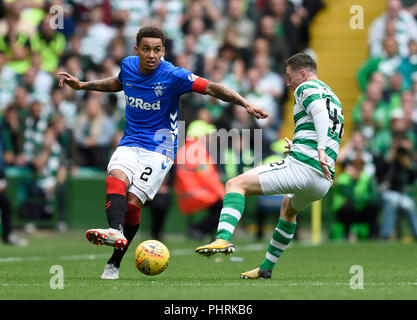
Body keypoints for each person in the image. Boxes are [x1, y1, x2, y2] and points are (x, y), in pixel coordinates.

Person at [58, 26, 268, 280]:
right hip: (131, 141)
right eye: (146, 49)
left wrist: (244, 103)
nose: (151, 54)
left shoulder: (173, 75)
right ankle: (115, 231)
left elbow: (212, 87)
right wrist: (83, 86)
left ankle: (114, 262)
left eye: (157, 49)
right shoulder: (128, 66)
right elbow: (117, 83)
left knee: (133, 204)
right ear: (136, 50)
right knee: (115, 177)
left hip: (160, 149)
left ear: (163, 51)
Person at [195, 53, 344, 279]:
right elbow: (326, 127)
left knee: (235, 184)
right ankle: (266, 268)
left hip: (304, 168)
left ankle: (223, 237)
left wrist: (320, 149)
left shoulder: (306, 88)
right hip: (323, 180)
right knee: (288, 208)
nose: (287, 82)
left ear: (302, 74)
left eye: (289, 76)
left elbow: (320, 115)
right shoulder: (332, 96)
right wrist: (301, 146)